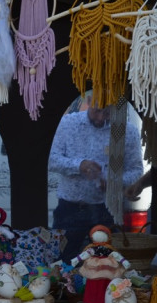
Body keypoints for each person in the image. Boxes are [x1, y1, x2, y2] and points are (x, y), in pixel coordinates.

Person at [49, 100, 145, 262]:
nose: (101, 118)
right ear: (89, 101)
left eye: (107, 113)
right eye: (97, 111)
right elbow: (52, 160)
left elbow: (136, 171)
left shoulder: (127, 131)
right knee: (61, 262)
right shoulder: (68, 124)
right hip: (70, 209)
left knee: (108, 264)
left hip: (107, 211)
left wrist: (114, 182)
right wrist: (79, 165)